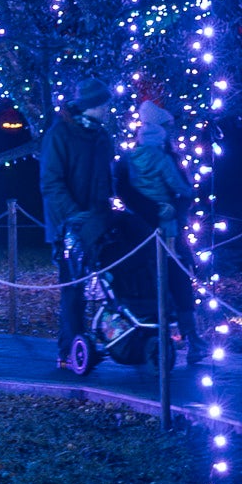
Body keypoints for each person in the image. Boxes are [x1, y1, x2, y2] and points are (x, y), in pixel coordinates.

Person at [38, 82, 123, 362]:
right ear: (94, 106)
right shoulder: (60, 135)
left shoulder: (100, 137)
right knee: (73, 288)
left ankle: (110, 336)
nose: (109, 111)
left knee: (108, 283)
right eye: (105, 105)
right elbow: (51, 182)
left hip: (98, 221)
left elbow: (106, 179)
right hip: (68, 225)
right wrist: (74, 214)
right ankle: (69, 349)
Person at [117, 76, 194, 364]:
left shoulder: (128, 159)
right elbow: (182, 189)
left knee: (148, 279)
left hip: (137, 230)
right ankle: (190, 337)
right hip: (166, 228)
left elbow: (123, 189)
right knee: (177, 275)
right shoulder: (164, 160)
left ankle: (145, 330)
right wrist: (173, 203)